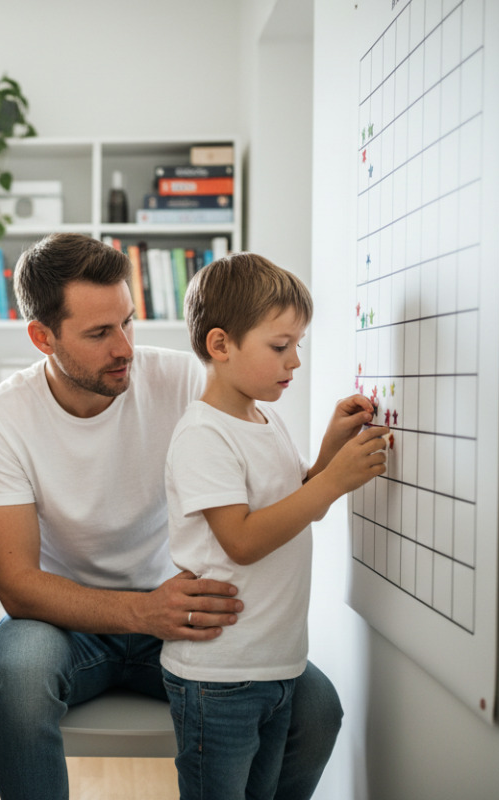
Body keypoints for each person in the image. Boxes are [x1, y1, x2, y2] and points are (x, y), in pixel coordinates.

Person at [0, 233, 346, 800]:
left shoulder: (188, 381)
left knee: (316, 707)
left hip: (180, 614)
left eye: (128, 321)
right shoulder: (1, 416)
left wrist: (330, 460)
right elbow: (18, 587)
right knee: (20, 678)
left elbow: (277, 494)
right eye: (99, 333)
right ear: (42, 337)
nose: (124, 347)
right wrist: (145, 611)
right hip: (68, 624)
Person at [161, 253, 387, 799]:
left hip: (274, 662)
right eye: (280, 347)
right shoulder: (203, 436)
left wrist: (330, 452)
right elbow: (242, 540)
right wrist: (331, 483)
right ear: (221, 345)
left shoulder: (265, 419)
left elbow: (289, 505)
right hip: (220, 675)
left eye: (298, 346)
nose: (295, 362)